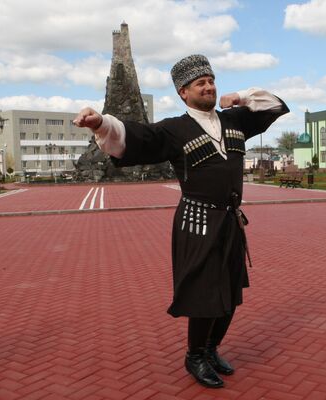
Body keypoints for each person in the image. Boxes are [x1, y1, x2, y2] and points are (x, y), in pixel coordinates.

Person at [74, 54, 289, 388]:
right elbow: (136, 138)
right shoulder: (174, 130)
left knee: (230, 292)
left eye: (211, 81)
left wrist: (243, 96)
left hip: (231, 220)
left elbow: (274, 106)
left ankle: (211, 349)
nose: (208, 87)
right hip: (197, 221)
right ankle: (194, 356)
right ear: (183, 93)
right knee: (204, 293)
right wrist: (101, 123)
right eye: (199, 84)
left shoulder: (235, 121)